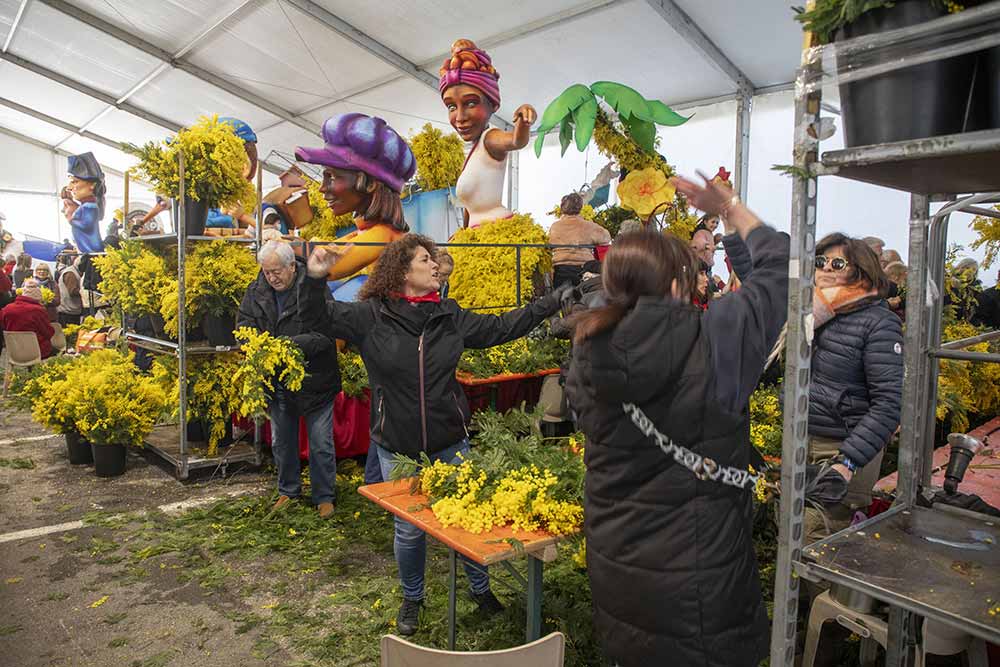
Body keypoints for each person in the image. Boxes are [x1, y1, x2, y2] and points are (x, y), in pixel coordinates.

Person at [564, 171, 789, 667]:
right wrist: (730, 207)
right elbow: (779, 268)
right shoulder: (716, 338)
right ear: (675, 282)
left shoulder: (587, 347)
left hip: (620, 568)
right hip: (700, 587)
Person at [303, 233, 567, 637]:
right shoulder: (370, 316)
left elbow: (503, 327)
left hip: (451, 441)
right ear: (403, 271)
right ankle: (413, 597)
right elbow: (317, 317)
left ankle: (480, 588)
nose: (435, 265)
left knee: (468, 522)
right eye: (426, 259)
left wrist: (552, 302)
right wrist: (315, 278)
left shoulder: (449, 315)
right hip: (398, 446)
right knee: (409, 530)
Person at [805, 233, 903, 543]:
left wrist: (846, 463)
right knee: (798, 534)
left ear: (860, 270)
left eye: (837, 262)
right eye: (820, 261)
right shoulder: (818, 313)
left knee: (815, 537)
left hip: (844, 448)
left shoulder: (878, 323)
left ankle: (828, 594)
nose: (826, 268)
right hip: (807, 439)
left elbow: (889, 404)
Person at [236, 240, 340, 519]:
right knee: (282, 442)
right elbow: (244, 324)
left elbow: (326, 334)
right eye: (267, 272)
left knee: (320, 443)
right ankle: (288, 491)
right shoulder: (256, 291)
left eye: (277, 271)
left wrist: (290, 346)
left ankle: (324, 496)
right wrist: (258, 347)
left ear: (292, 266)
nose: (272, 278)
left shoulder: (314, 288)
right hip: (277, 382)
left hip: (316, 380)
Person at [439, 38, 536, 228]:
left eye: (471, 103)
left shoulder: (490, 139)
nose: (459, 117)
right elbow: (470, 207)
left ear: (493, 104)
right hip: (477, 237)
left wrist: (524, 120)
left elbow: (517, 141)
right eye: (451, 106)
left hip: (496, 235)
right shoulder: (474, 150)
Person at [548, 192, 612, 288]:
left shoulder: (555, 227)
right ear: (580, 207)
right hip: (583, 269)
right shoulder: (588, 226)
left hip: (560, 269)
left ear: (562, 208)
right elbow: (606, 238)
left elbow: (550, 243)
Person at [1, 279, 55, 359]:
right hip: (37, 350)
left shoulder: (7, 309)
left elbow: (3, 327)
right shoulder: (38, 310)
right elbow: (48, 333)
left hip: (14, 351)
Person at [56, 253, 83, 327]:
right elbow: (72, 291)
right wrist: (85, 292)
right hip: (67, 311)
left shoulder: (74, 271)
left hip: (72, 310)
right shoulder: (70, 273)